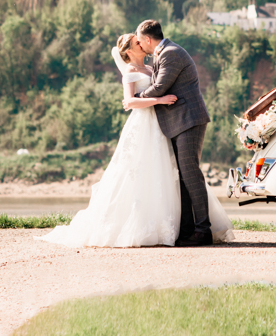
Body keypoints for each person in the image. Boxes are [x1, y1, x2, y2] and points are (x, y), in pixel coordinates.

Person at [36, 33, 182, 247]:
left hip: (159, 123)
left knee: (160, 168)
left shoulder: (151, 68)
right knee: (134, 169)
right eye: (137, 43)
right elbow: (129, 102)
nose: (141, 43)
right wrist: (159, 100)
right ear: (129, 51)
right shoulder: (130, 71)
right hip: (142, 123)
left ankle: (165, 223)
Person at [134, 19, 234, 247]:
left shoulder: (171, 53)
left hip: (189, 120)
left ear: (148, 39)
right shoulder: (164, 53)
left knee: (191, 174)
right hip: (180, 121)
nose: (139, 45)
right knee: (183, 176)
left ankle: (203, 230)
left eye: (140, 41)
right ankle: (189, 230)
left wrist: (137, 98)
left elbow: (160, 87)